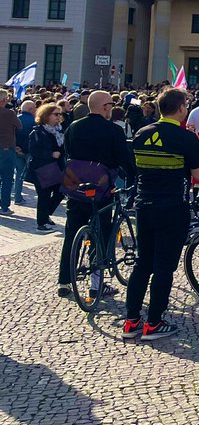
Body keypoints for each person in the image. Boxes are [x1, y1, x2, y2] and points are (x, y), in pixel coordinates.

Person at [123, 88, 199, 341]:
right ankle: (154, 322)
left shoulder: (141, 133)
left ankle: (131, 320)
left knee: (142, 263)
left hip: (144, 204)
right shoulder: (185, 138)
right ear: (181, 108)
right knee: (163, 267)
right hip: (172, 207)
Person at [58, 91, 132, 299]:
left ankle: (64, 281)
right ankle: (96, 284)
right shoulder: (113, 131)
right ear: (106, 107)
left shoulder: (74, 127)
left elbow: (67, 153)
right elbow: (123, 159)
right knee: (100, 235)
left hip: (76, 188)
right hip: (102, 190)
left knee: (71, 234)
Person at [29, 103, 66, 232]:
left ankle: (46, 213)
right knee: (44, 195)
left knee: (61, 190)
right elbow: (34, 151)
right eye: (55, 114)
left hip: (56, 167)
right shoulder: (38, 131)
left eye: (59, 114)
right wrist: (50, 154)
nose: (58, 117)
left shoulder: (58, 130)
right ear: (46, 116)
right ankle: (42, 222)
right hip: (42, 168)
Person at [0, 90, 21, 215]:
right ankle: (4, 206)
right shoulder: (9, 113)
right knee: (7, 179)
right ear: (3, 100)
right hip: (6, 149)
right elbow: (20, 126)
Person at [14, 99, 36, 204]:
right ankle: (18, 198)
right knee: (24, 175)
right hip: (27, 152)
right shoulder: (35, 121)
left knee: (14, 174)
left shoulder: (15, 119)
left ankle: (14, 197)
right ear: (31, 109)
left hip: (14, 150)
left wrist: (15, 147)